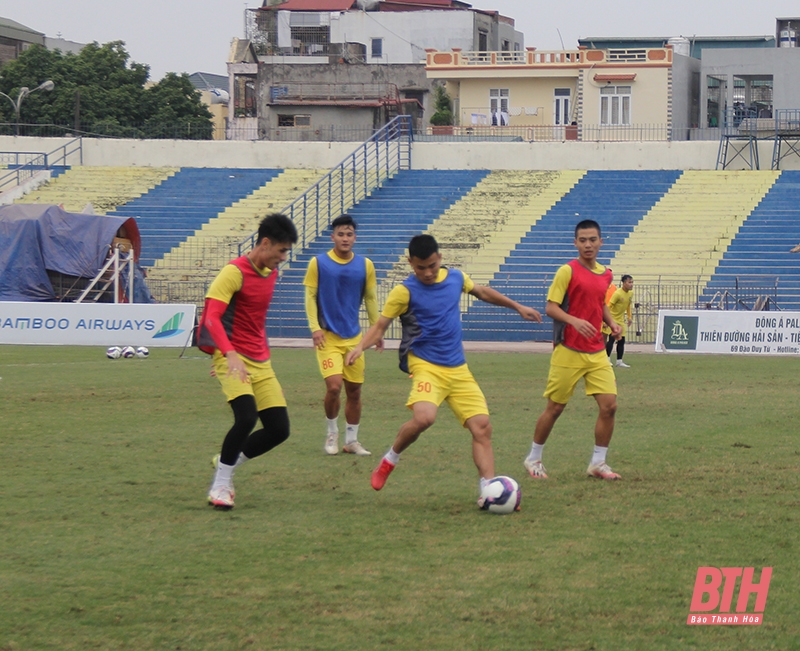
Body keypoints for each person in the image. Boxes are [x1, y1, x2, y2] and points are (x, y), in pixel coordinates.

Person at [344, 234, 542, 501]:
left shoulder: (456, 278)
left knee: (482, 426)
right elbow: (381, 325)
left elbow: (482, 292)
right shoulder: (404, 291)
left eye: (432, 266)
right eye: (420, 267)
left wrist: (517, 306)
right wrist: (359, 347)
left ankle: (488, 491)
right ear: (410, 263)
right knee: (425, 418)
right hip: (425, 364)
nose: (427, 273)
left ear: (440, 259)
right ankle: (390, 459)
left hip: (458, 367)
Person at [197, 213, 298, 510]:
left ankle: (225, 462)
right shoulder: (233, 272)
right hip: (232, 357)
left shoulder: (271, 272)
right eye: (281, 251)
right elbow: (211, 317)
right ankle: (221, 486)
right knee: (246, 417)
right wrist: (226, 355)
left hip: (259, 360)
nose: (283, 258)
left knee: (279, 430)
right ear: (265, 243)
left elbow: (254, 319)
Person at [523, 219, 623, 481]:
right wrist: (574, 320)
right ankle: (533, 458)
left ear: (601, 242)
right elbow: (551, 307)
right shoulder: (566, 271)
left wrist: (611, 321)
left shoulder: (606, 274)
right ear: (575, 242)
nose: (588, 245)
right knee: (555, 408)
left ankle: (598, 463)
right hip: (568, 349)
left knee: (609, 406)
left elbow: (599, 302)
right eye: (582, 240)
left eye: (592, 240)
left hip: (597, 351)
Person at [303, 214, 382, 457]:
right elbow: (310, 296)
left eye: (349, 234)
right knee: (334, 386)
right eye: (340, 234)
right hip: (328, 337)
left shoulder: (365, 265)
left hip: (354, 339)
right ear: (333, 237)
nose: (345, 238)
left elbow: (369, 297)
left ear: (355, 238)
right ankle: (331, 433)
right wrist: (315, 328)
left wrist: (376, 329)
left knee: (355, 391)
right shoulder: (318, 263)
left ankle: (351, 440)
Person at [603, 274, 634, 368]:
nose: (631, 284)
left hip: (620, 319)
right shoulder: (617, 293)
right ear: (624, 283)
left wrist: (629, 317)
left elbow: (628, 305)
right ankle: (607, 359)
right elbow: (609, 306)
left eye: (632, 282)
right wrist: (605, 320)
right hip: (612, 318)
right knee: (611, 339)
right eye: (629, 282)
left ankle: (619, 361)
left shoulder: (630, 293)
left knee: (622, 340)